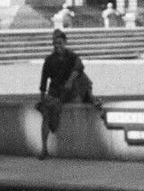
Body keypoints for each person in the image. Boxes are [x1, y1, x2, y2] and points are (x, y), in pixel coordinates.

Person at [35, 29, 101, 159]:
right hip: (55, 92)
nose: (57, 46)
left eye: (59, 43)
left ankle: (91, 98)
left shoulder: (71, 56)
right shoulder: (49, 60)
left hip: (68, 91)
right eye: (55, 43)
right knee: (47, 114)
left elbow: (79, 68)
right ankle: (44, 148)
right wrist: (43, 99)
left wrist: (70, 81)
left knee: (82, 76)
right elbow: (43, 82)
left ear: (65, 43)